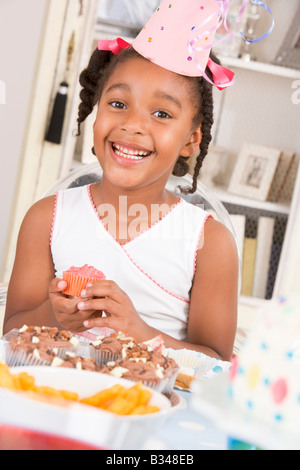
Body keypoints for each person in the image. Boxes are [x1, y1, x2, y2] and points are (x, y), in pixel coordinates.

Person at [4, 0, 239, 361]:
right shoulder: (46, 219)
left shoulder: (209, 243)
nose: (132, 125)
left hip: (148, 411)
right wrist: (52, 315)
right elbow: (10, 336)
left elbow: (216, 365)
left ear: (191, 140)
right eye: (117, 104)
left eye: (161, 113)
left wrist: (139, 332)